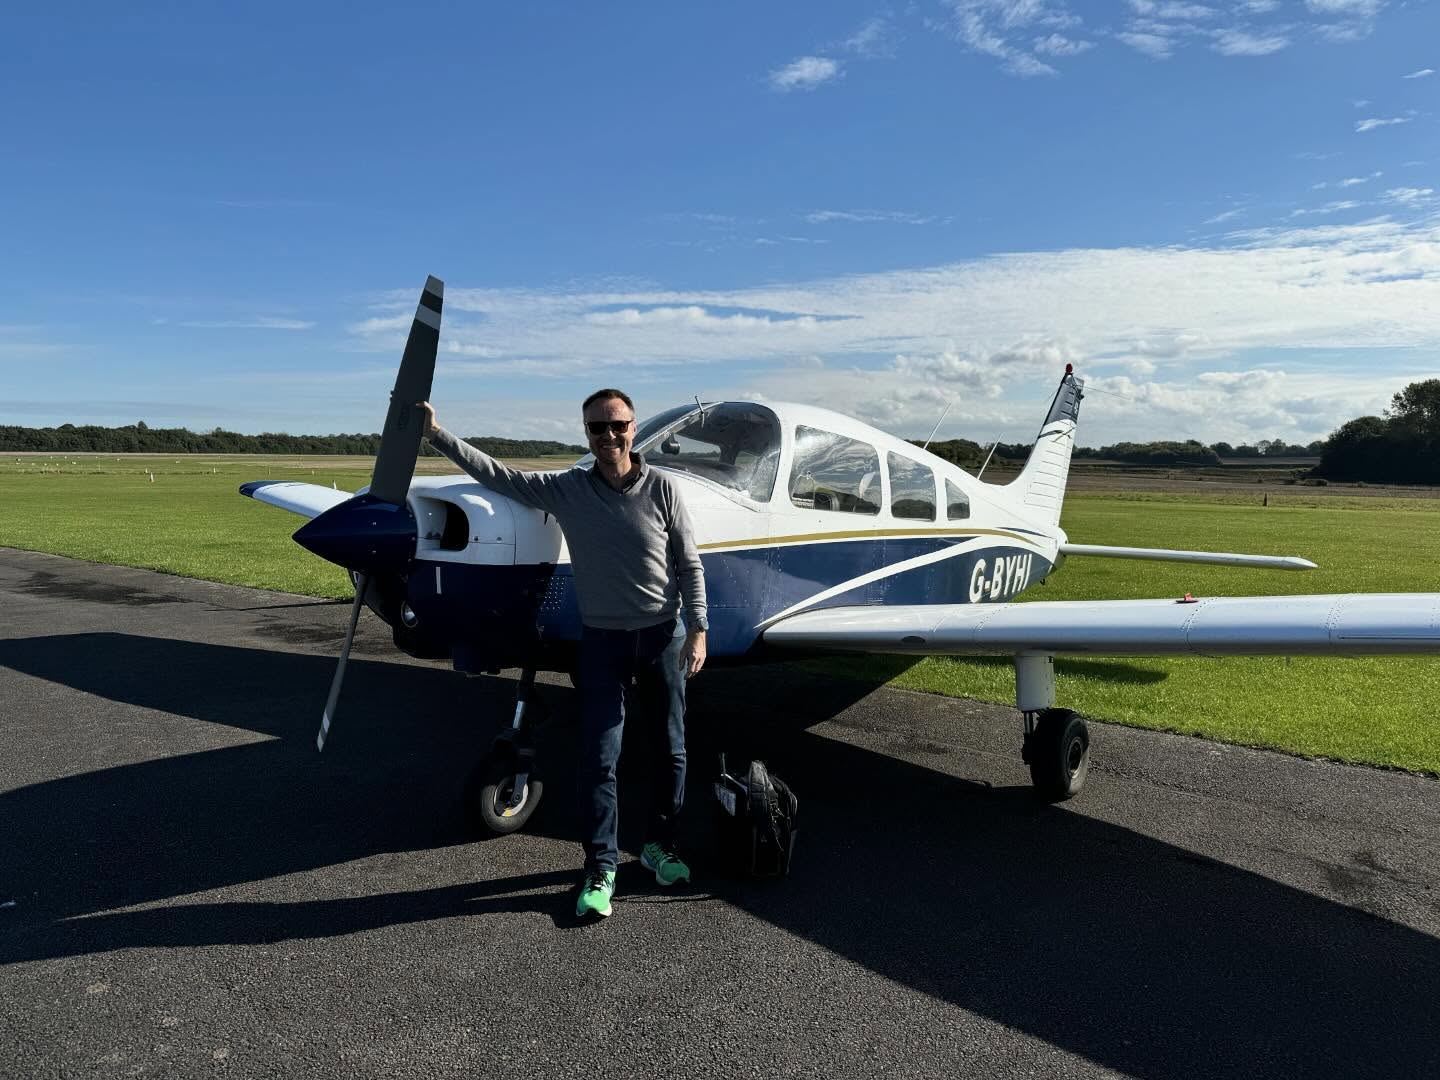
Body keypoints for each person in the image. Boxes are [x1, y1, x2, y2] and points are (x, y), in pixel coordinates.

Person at [416, 390, 708, 920]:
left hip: (663, 636)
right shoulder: (569, 488)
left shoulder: (663, 487)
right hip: (603, 641)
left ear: (633, 427)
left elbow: (688, 562)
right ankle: (601, 867)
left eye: (617, 425)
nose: (608, 436)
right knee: (599, 757)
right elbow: (500, 476)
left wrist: (700, 628)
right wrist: (437, 436)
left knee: (672, 751)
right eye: (597, 428)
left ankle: (661, 846)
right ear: (587, 433)